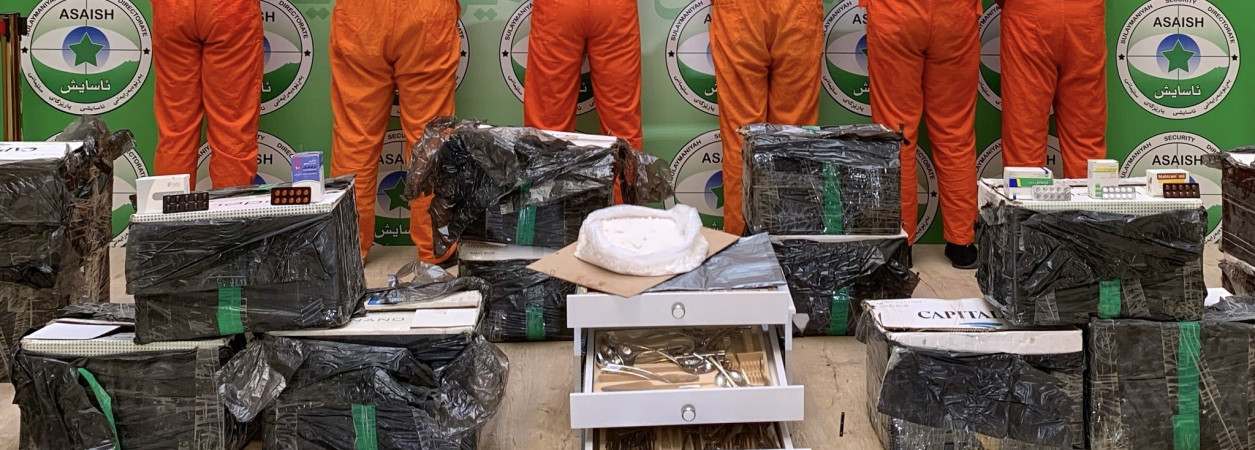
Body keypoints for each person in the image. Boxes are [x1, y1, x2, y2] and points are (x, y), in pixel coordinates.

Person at [328, 0, 462, 265]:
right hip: (426, 13)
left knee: (355, 137)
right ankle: (435, 249)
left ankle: (348, 251)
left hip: (360, 15)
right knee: (430, 138)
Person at [865, 0, 980, 268]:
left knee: (896, 135)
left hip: (895, 13)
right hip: (955, 16)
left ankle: (900, 246)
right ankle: (962, 244)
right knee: (955, 131)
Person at [710, 0, 824, 236]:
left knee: (741, 140)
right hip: (797, 9)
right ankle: (791, 245)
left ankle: (741, 246)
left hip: (740, 10)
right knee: (793, 139)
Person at [151, 0, 262, 189]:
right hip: (231, 10)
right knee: (232, 128)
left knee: (175, 130)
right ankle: (230, 206)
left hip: (170, 9)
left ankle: (170, 205)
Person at [999, 0, 1107, 178]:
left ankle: (1025, 196)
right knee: (1086, 143)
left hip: (1027, 14)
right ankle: (1089, 196)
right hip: (1085, 15)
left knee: (1025, 139)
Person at [523, 0, 643, 151]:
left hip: (557, 8)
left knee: (547, 127)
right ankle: (626, 166)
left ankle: (546, 165)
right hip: (615, 9)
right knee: (623, 127)